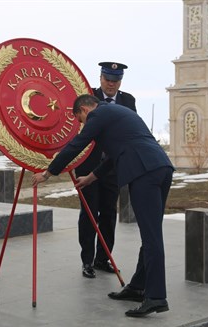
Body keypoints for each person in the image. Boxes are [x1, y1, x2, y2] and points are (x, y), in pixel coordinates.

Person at [32, 94, 174, 318]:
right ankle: (138, 287)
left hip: (144, 172)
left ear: (84, 110)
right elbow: (115, 156)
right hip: (160, 167)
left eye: (80, 120)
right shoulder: (117, 114)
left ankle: (156, 297)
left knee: (151, 237)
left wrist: (49, 172)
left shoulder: (98, 114)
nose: (83, 125)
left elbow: (77, 144)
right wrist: (91, 178)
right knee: (151, 233)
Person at [75, 62, 137, 279]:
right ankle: (87, 261)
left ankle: (103, 258)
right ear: (100, 78)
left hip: (112, 167)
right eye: (108, 79)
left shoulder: (128, 100)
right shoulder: (87, 97)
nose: (111, 84)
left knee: (109, 214)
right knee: (89, 214)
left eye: (116, 81)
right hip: (87, 167)